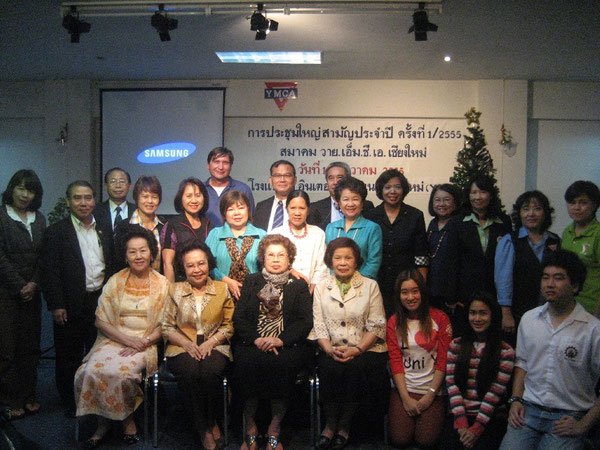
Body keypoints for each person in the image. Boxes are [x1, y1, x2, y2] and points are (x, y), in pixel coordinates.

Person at [74, 225, 169, 448]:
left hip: (146, 343)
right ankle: (103, 423)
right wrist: (127, 340)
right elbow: (100, 320)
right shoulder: (115, 281)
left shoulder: (163, 284)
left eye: (143, 250)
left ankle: (127, 421)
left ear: (151, 252)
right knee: (90, 370)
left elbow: (167, 325)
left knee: (122, 374)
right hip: (113, 340)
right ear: (125, 256)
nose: (138, 256)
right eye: (132, 252)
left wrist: (142, 342)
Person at [500, 249, 600, 450]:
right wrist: (516, 400)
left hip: (569, 416)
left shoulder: (593, 329)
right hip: (528, 411)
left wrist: (584, 425)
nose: (550, 284)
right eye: (545, 278)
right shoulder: (529, 319)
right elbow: (522, 363)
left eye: (558, 278)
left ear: (575, 285)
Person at [41, 180, 114, 417]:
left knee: (97, 351)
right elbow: (49, 271)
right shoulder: (56, 232)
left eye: (88, 198)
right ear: (68, 201)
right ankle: (71, 403)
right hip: (70, 303)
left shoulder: (103, 227)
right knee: (68, 355)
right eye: (77, 198)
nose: (83, 203)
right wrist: (56, 304)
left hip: (98, 300)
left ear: (94, 200)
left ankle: (95, 400)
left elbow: (109, 264)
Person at [233, 234, 313, 450]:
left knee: (283, 365)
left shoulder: (298, 285)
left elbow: (305, 321)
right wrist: (257, 338)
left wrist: (280, 339)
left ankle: (274, 428)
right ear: (263, 258)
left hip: (286, 344)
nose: (276, 259)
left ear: (289, 259)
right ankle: (249, 426)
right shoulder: (251, 281)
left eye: (281, 255)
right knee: (245, 363)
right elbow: (239, 318)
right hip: (253, 342)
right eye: (271, 255)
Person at [310, 237, 388, 450]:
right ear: (330, 260)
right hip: (331, 347)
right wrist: (328, 349)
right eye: (338, 258)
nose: (342, 262)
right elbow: (319, 324)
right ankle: (330, 424)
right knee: (329, 369)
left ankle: (343, 426)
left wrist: (357, 349)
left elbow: (377, 324)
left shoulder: (370, 285)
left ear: (356, 261)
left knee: (355, 369)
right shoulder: (322, 287)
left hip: (365, 348)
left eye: (348, 258)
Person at [162, 240, 233, 450]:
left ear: (208, 263)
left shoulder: (222, 289)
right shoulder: (174, 290)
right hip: (181, 345)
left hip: (216, 343)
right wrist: (186, 343)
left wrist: (211, 341)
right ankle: (203, 429)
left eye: (201, 263)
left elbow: (229, 325)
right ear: (183, 268)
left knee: (210, 372)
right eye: (190, 265)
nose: (197, 269)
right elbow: (166, 326)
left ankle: (212, 421)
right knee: (191, 373)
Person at [387, 269, 452, 448]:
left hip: (432, 390)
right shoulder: (393, 322)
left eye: (415, 291)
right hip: (404, 389)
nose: (410, 297)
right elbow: (395, 361)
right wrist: (405, 397)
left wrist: (430, 396)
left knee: (426, 441)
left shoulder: (440, 318)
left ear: (422, 292)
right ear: (398, 295)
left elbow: (443, 360)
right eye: (404, 292)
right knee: (400, 440)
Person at [0, 170, 46, 420]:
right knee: (7, 348)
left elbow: (43, 256)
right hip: (6, 293)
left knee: (30, 347)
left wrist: (34, 283)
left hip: (32, 292)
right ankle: (9, 399)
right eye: (20, 188)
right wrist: (20, 285)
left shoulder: (39, 219)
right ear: (11, 188)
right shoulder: (1, 216)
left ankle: (29, 395)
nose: (25, 194)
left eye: (30, 190)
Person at [445, 293, 515, 450]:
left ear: (493, 316)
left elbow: (494, 393)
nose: (477, 318)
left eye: (483, 313)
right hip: (459, 415)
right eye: (473, 313)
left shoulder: (505, 351)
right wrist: (461, 423)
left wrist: (476, 429)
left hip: (488, 419)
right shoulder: (455, 346)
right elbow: (452, 385)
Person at [495, 190, 560, 340]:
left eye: (537, 208)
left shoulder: (554, 240)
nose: (531, 214)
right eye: (526, 209)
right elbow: (503, 280)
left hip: (548, 311)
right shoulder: (509, 240)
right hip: (518, 312)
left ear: (545, 213)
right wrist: (506, 314)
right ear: (519, 214)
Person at [364, 169, 428, 317]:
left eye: (397, 187)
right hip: (378, 281)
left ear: (403, 190)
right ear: (381, 190)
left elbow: (421, 254)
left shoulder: (415, 215)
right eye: (387, 187)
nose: (392, 191)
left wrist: (420, 284)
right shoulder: (370, 215)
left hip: (407, 283)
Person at [457, 175, 511, 302]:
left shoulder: (503, 222)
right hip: (465, 294)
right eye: (473, 192)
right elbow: (452, 261)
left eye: (483, 192)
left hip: (495, 292)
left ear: (491, 195)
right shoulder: (458, 222)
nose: (478, 197)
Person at [205, 190, 266, 300]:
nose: (236, 213)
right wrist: (225, 280)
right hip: (220, 294)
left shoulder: (261, 235)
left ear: (248, 209)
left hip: (255, 296)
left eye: (241, 208)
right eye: (231, 209)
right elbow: (206, 265)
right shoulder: (215, 234)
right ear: (224, 213)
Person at [270, 190, 328, 293]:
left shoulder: (318, 233)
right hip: (282, 291)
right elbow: (270, 264)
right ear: (286, 209)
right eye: (293, 208)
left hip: (313, 292)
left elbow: (322, 267)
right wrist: (289, 271)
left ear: (308, 210)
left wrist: (311, 291)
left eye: (302, 208)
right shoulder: (277, 233)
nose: (297, 213)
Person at [324, 177, 382, 280]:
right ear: (338, 202)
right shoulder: (331, 228)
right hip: (334, 284)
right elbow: (327, 259)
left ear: (362, 202)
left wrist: (355, 283)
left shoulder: (372, 228)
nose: (350, 204)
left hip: (362, 286)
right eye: (345, 199)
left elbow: (374, 262)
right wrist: (336, 281)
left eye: (355, 199)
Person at [426, 184, 463, 330]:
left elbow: (459, 263)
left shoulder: (460, 224)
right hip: (432, 290)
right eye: (437, 200)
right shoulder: (433, 224)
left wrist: (453, 296)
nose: (441, 204)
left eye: (446, 200)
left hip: (451, 294)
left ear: (455, 203)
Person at [161, 177, 212, 282]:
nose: (194, 200)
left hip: (207, 285)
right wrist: (172, 292)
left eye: (198, 196)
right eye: (189, 196)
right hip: (181, 286)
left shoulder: (209, 223)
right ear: (181, 199)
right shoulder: (172, 224)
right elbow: (168, 264)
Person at [561, 180, 600, 316]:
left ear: (594, 205)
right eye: (572, 203)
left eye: (583, 202)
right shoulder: (567, 232)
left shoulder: (598, 233)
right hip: (568, 305)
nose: (576, 207)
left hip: (592, 307)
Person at [115, 175, 164, 272]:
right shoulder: (124, 227)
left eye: (154, 197)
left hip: (159, 284)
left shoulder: (164, 226)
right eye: (145, 196)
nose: (150, 201)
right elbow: (119, 262)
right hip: (131, 284)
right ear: (136, 198)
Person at [308, 162, 374, 231]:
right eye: (331, 178)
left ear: (348, 180)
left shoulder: (366, 206)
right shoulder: (315, 208)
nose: (335, 182)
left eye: (340, 177)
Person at [204, 147, 255, 227]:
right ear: (208, 165)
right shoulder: (200, 190)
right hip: (205, 239)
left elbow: (250, 221)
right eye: (216, 162)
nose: (220, 167)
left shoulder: (243, 189)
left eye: (225, 163)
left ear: (230, 166)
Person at [253, 160, 297, 232]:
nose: (282, 180)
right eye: (277, 175)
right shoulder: (261, 207)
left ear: (295, 180)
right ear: (271, 181)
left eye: (287, 175)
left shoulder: (303, 208)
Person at [93, 167, 135, 237]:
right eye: (113, 181)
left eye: (122, 181)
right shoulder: (95, 211)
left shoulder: (137, 210)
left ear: (129, 186)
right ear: (105, 186)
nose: (118, 186)